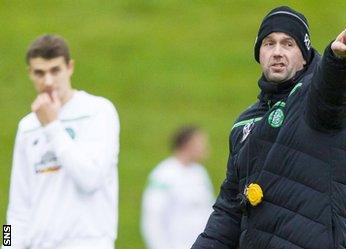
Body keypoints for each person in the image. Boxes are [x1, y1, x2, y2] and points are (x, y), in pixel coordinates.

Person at [192, 6, 346, 249]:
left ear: (304, 55)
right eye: (269, 43)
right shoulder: (245, 123)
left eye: (288, 44)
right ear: (258, 53)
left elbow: (332, 94)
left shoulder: (313, 97)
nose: (277, 52)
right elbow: (230, 210)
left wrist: (340, 62)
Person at [5, 35, 120, 249]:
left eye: (55, 70)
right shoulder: (27, 126)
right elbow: (16, 207)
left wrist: (52, 127)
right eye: (40, 72)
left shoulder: (98, 111)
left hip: (87, 243)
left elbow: (90, 179)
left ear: (70, 67)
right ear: (30, 73)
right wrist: (6, 244)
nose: (48, 81)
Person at [141, 125, 216, 249]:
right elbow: (152, 219)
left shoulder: (200, 173)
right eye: (200, 143)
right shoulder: (163, 174)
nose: (205, 147)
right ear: (187, 144)